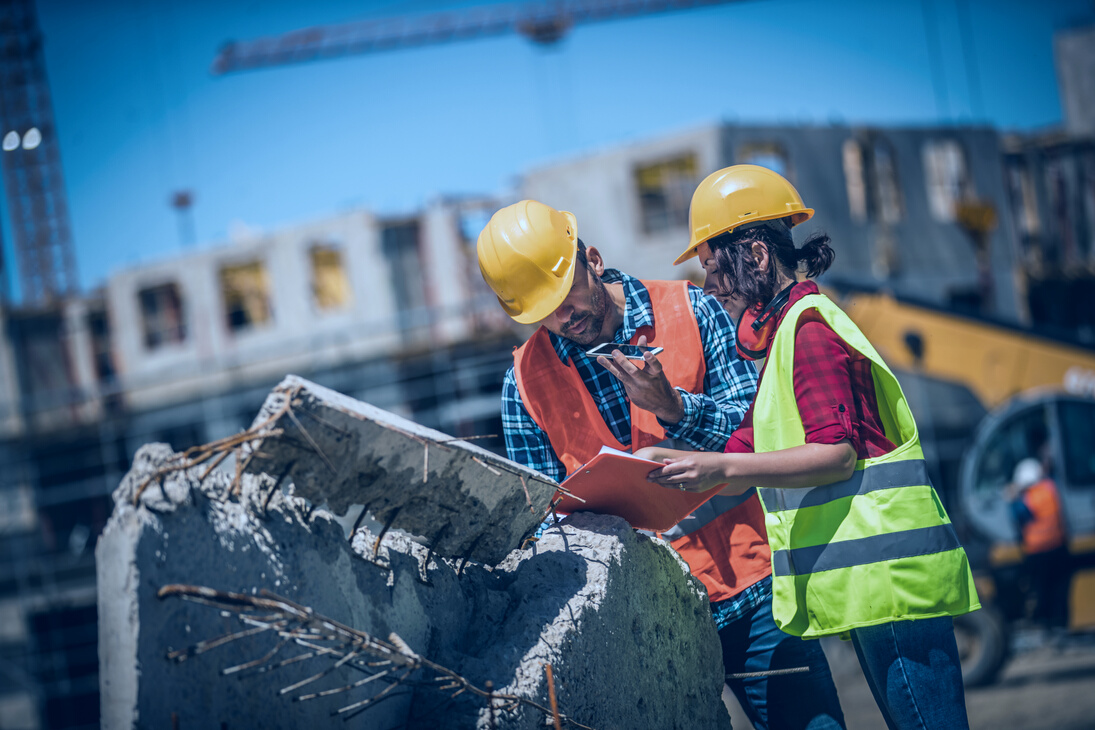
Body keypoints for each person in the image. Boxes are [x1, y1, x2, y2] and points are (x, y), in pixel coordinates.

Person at [477, 199, 846, 730]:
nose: (564, 316)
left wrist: (673, 409)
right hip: (642, 623)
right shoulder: (525, 384)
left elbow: (762, 433)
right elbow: (541, 525)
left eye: (565, 294)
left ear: (594, 261)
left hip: (753, 592)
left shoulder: (693, 309)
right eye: (543, 310)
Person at [638, 165, 981, 730]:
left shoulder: (809, 330)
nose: (709, 283)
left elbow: (836, 454)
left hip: (894, 585)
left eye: (713, 263)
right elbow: (746, 447)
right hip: (878, 589)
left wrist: (719, 464)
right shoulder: (784, 338)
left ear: (754, 254)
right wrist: (659, 461)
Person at [1007, 457, 1071, 634]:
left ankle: (1047, 626)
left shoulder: (1028, 497)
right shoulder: (1050, 488)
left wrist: (1012, 499)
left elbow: (1019, 516)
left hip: (1037, 552)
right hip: (1059, 546)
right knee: (1060, 590)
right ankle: (1061, 624)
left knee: (1042, 590)